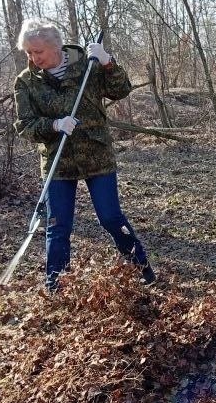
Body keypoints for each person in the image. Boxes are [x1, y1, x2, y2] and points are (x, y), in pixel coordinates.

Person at [13, 19, 155, 292]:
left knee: (111, 218)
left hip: (96, 155)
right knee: (58, 226)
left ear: (56, 46)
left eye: (38, 51)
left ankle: (143, 270)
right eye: (28, 52)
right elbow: (24, 126)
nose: (33, 58)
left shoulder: (87, 67)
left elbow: (121, 89)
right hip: (58, 161)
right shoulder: (26, 82)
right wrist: (54, 125)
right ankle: (57, 287)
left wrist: (107, 62)